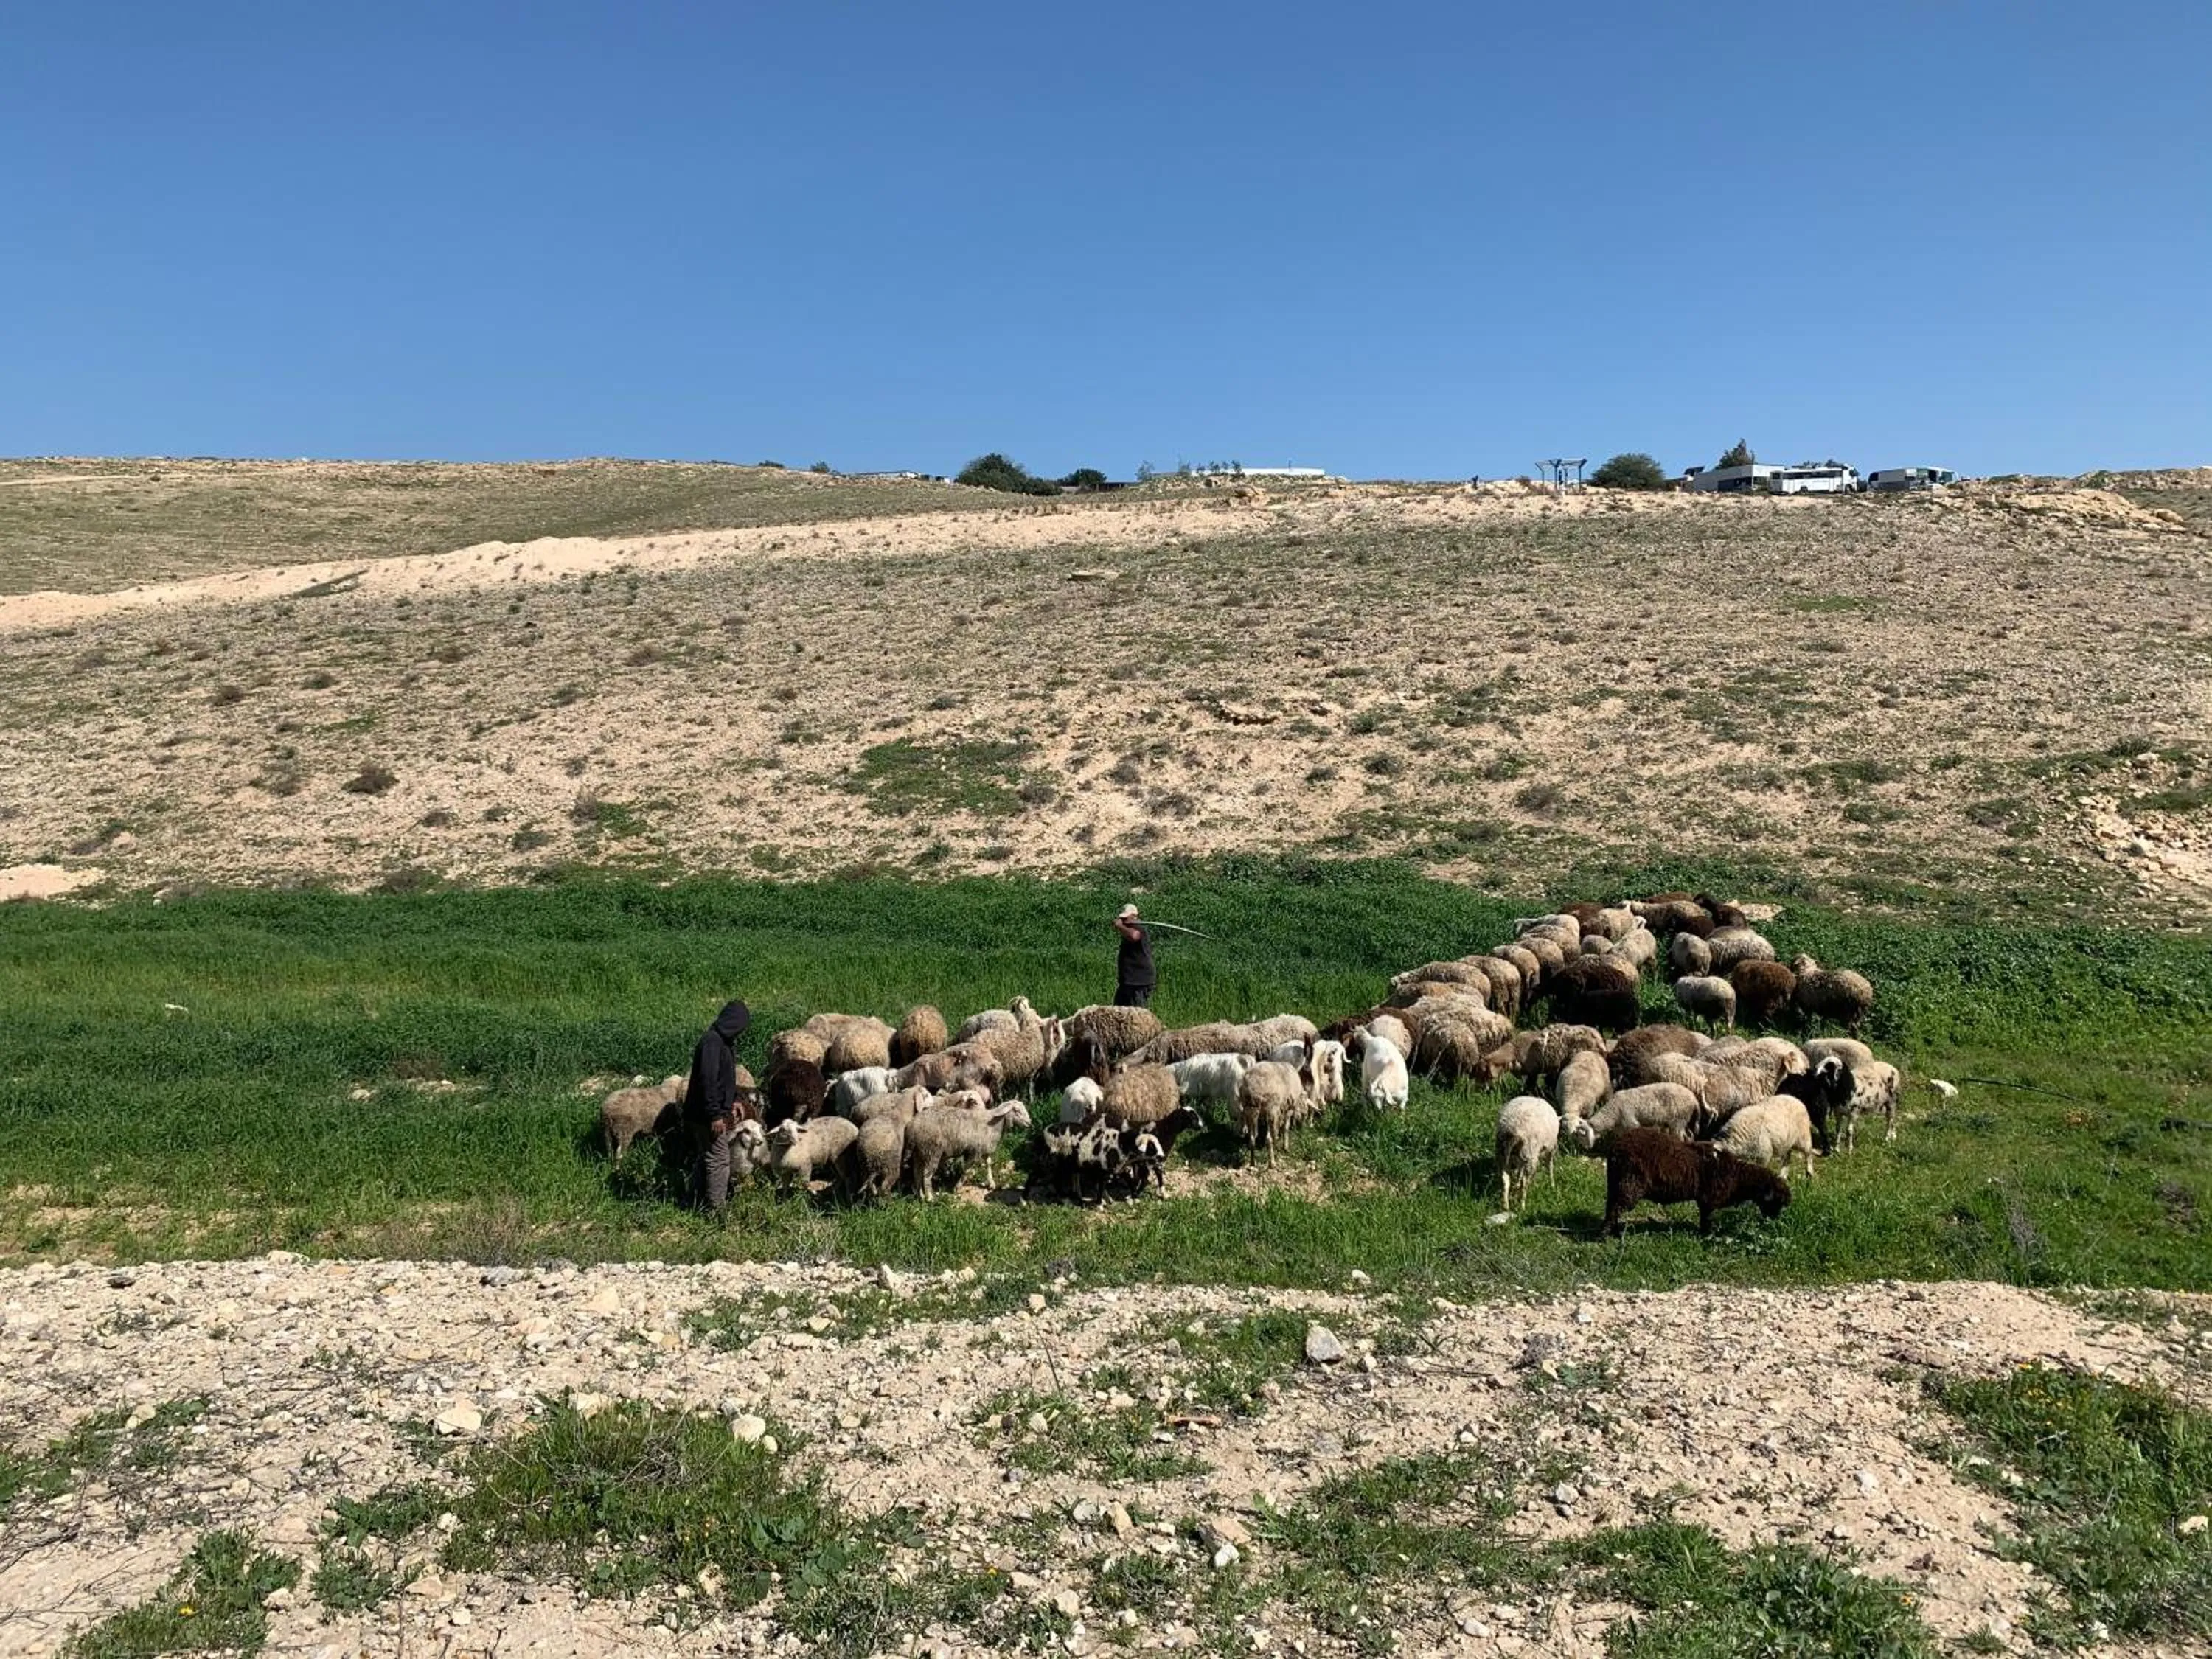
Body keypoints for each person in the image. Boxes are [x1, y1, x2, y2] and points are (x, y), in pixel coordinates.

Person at [684, 998, 751, 1214]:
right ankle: (716, 1209)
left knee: (706, 1156)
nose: (741, 1032)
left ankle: (693, 1199)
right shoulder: (712, 1043)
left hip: (704, 1111)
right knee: (720, 1159)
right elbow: (708, 1080)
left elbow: (724, 1078)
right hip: (705, 1114)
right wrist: (714, 1115)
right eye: (740, 1027)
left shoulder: (724, 1042)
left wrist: (734, 1099)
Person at [1113, 903, 1156, 1008]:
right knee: (1119, 1011)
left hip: (1139, 980)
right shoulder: (1128, 930)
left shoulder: (1138, 927)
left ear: (1134, 917)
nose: (1123, 921)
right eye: (1122, 919)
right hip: (1128, 981)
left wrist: (1120, 926)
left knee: (1137, 1011)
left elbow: (1134, 936)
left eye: (1125, 918)